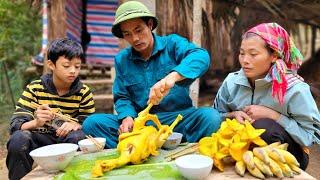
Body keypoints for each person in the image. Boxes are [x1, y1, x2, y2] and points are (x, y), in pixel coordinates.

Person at [83, 1, 221, 149]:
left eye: (138, 30)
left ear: (149, 24)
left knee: (211, 117)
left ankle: (141, 147)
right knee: (92, 123)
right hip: (140, 124)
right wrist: (127, 117)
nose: (135, 38)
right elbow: (122, 96)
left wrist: (172, 77)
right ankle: (147, 146)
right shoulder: (122, 59)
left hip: (177, 119)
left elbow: (201, 56)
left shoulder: (172, 44)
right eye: (127, 34)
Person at [213, 22, 320, 170]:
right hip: (239, 151)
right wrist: (232, 115)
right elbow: (214, 116)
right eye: (242, 53)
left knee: (264, 127)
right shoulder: (232, 81)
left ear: (274, 56)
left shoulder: (295, 89)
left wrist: (274, 116)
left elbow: (310, 137)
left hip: (288, 156)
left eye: (253, 54)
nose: (245, 60)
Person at [6, 38, 95, 180]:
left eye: (77, 66)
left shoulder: (83, 92)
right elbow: (16, 125)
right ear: (51, 65)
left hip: (67, 141)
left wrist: (76, 125)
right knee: (18, 139)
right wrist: (36, 122)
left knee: (78, 136)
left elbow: (89, 123)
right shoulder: (35, 88)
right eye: (66, 66)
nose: (73, 71)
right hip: (39, 139)